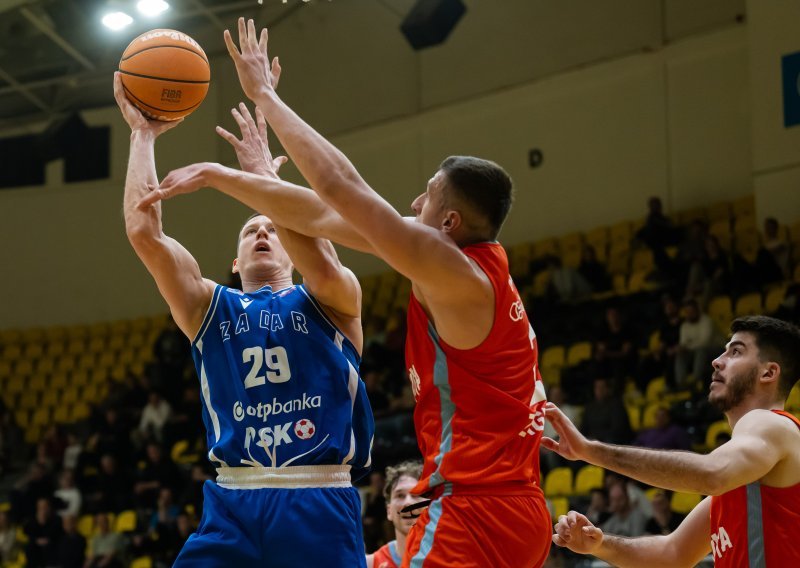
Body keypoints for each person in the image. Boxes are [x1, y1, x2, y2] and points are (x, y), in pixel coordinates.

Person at [144, 18, 552, 568]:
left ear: (450, 221)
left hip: (478, 507)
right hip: (511, 501)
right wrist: (260, 177)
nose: (412, 203)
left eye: (427, 197)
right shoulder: (467, 270)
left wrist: (260, 102)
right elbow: (321, 213)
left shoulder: (452, 269)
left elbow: (341, 188)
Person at [113, 70, 373, 567]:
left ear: (290, 249)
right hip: (232, 499)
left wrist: (265, 185)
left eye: (272, 227)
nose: (261, 231)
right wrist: (142, 134)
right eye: (250, 228)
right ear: (234, 262)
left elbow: (315, 238)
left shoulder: (333, 296)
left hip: (316, 494)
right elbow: (144, 234)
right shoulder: (209, 307)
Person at [546, 315, 800, 566]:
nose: (716, 361)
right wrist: (599, 544)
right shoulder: (741, 482)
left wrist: (591, 451)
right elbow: (673, 554)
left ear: (768, 372)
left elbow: (710, 474)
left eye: (735, 352)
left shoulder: (770, 423)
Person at [366, 460, 424, 568]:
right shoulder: (369, 564)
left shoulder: (451, 559)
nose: (408, 502)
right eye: (400, 495)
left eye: (416, 494)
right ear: (389, 511)